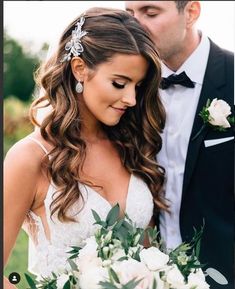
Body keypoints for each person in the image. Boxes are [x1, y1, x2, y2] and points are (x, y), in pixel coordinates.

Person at [4, 7, 168, 288]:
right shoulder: (30, 158)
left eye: (138, 87)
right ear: (80, 69)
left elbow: (149, 258)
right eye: (119, 83)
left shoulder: (132, 147)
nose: (131, 98)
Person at [125, 1, 234, 288]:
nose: (135, 25)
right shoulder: (124, 89)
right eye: (130, 14)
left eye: (150, 13)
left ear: (191, 12)